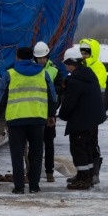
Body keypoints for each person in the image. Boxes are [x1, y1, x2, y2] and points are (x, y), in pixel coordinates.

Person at [0, 46, 57, 194]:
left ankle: (19, 187)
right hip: (38, 120)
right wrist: (51, 115)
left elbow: (0, 97)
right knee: (36, 154)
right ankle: (34, 186)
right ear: (32, 57)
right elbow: (52, 96)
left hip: (16, 120)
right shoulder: (44, 73)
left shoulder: (10, 74)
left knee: (17, 154)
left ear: (17, 57)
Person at [58, 46, 106, 190]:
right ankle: (87, 175)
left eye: (67, 64)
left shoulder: (76, 81)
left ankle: (83, 179)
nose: (66, 67)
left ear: (72, 63)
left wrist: (62, 115)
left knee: (78, 149)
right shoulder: (88, 74)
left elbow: (69, 103)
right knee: (88, 148)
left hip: (81, 121)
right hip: (92, 120)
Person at [33, 40, 65, 183]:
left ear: (47, 56)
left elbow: (60, 89)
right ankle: (33, 171)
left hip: (49, 112)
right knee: (35, 145)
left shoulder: (54, 70)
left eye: (43, 58)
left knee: (49, 144)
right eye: (39, 58)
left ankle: (49, 171)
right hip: (35, 112)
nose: (41, 61)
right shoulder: (31, 70)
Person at [79, 38, 107, 183]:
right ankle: (86, 173)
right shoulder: (82, 66)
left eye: (86, 53)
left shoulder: (98, 67)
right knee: (83, 143)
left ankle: (94, 172)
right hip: (83, 111)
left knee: (92, 142)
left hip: (93, 111)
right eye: (82, 52)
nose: (83, 55)